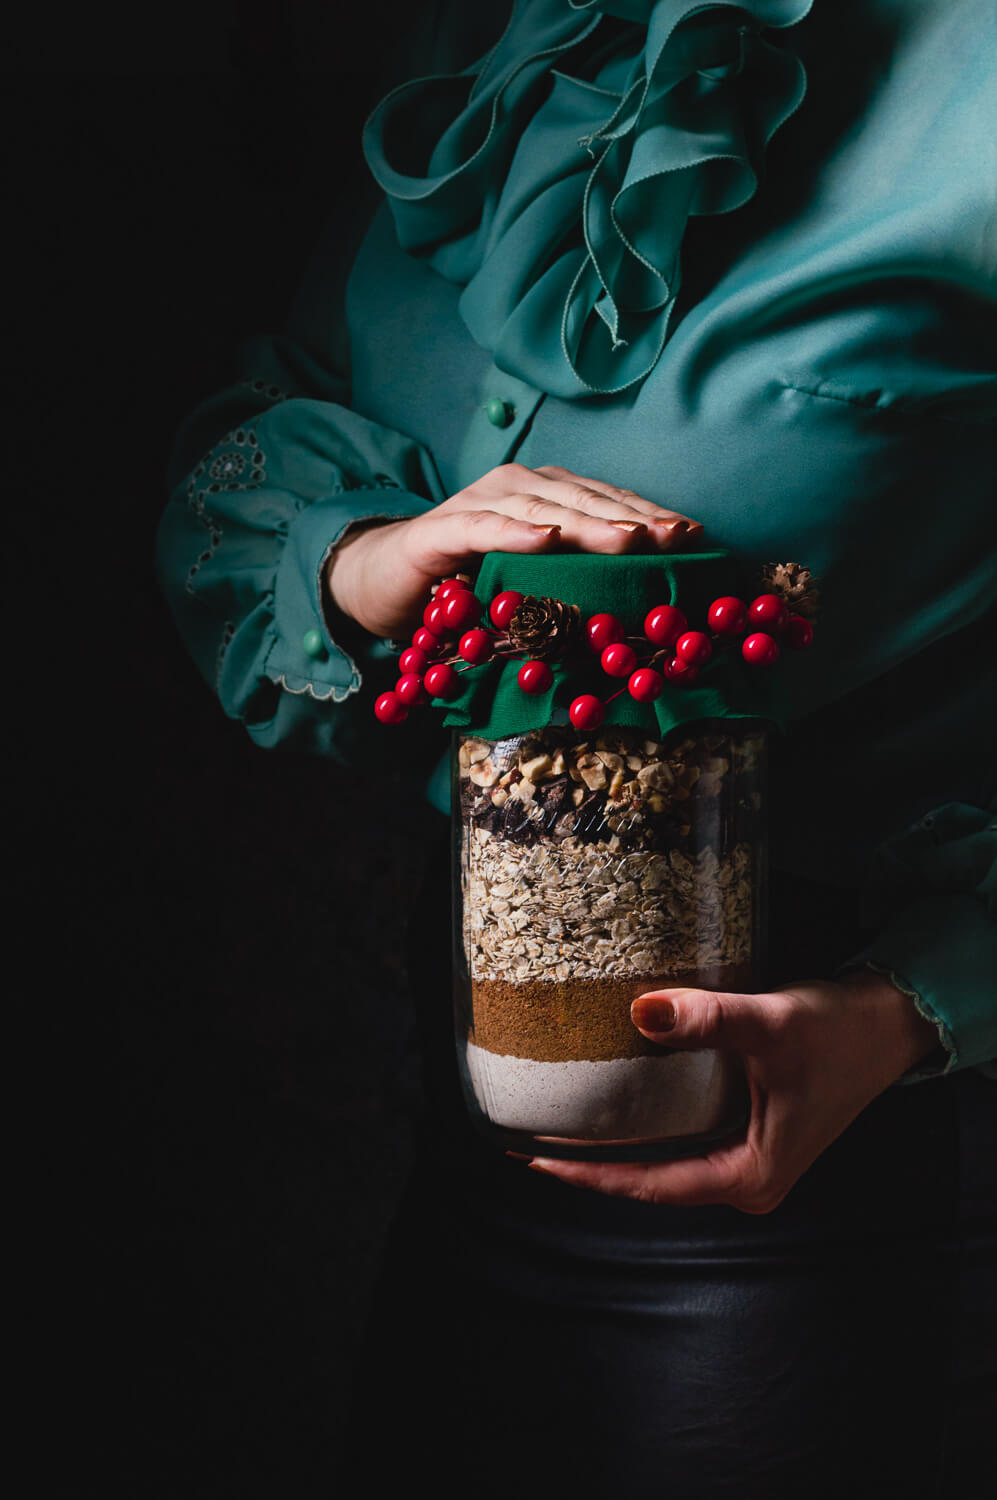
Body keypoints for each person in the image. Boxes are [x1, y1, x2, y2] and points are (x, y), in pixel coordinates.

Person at [156, 2, 996, 1494]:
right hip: (456, 1120)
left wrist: (910, 1008)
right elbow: (257, 435)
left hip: (800, 1167)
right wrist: (363, 557)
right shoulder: (521, 32)